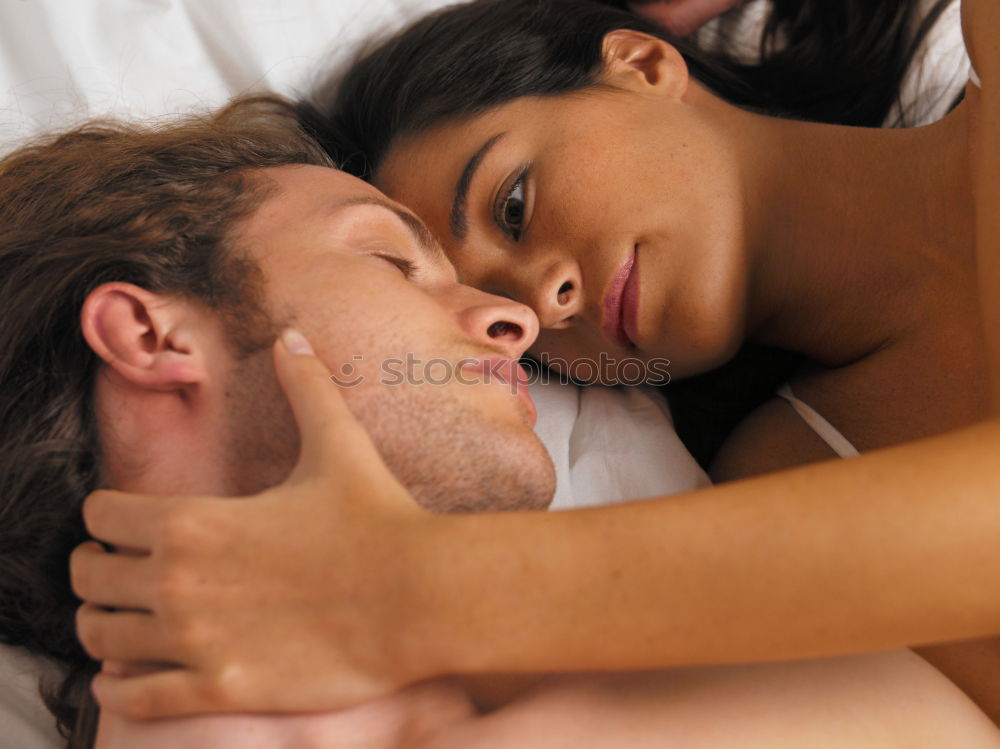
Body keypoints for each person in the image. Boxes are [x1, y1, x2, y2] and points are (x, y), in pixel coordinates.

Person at [66, 0, 1000, 730]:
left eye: (513, 204)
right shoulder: (789, 471)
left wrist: (414, 589)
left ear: (639, 64)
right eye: (506, 313)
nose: (545, 304)